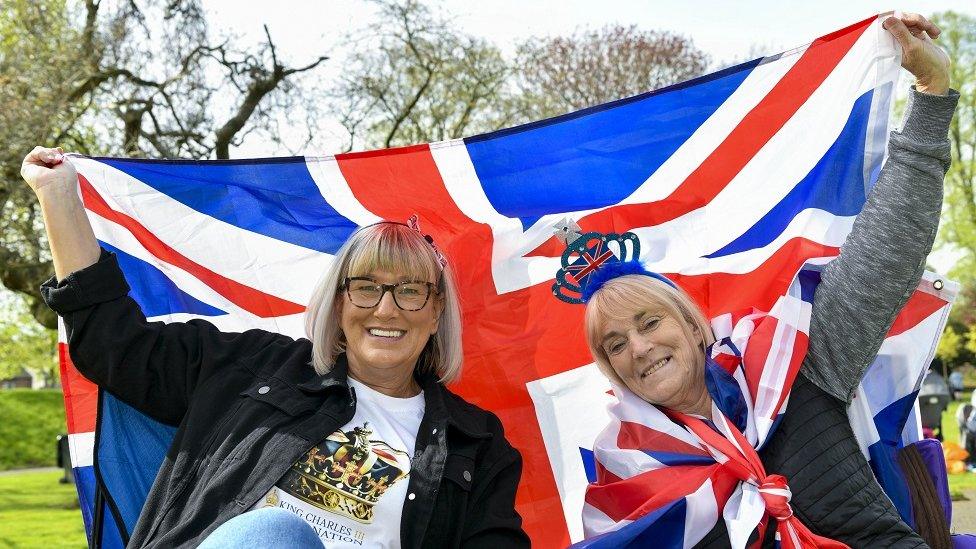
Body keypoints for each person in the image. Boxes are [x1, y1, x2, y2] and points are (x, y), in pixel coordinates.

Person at [579, 13, 957, 548]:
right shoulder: (624, 477)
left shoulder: (787, 364)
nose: (637, 348)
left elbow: (885, 255)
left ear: (691, 325)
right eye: (614, 344)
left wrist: (931, 94)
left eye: (648, 322)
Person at [22, 148, 530, 546]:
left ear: (437, 312)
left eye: (411, 290)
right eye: (366, 287)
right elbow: (115, 347)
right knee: (274, 536)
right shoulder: (250, 367)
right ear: (338, 301)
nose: (386, 309)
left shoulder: (478, 446)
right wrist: (59, 196)